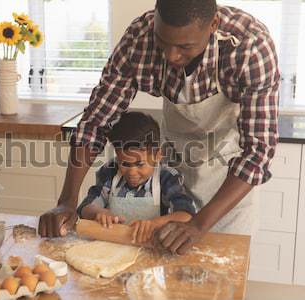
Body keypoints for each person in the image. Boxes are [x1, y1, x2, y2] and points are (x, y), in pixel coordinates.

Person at [39, 0, 279, 255]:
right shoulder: (138, 39)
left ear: (214, 25)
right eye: (162, 42)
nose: (171, 56)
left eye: (185, 47)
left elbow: (257, 152)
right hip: (172, 164)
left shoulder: (250, 48)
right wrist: (66, 201)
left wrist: (198, 224)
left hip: (227, 177)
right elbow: (96, 122)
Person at [77, 111, 196, 244]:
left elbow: (187, 215)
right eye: (125, 164)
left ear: (157, 155)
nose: (132, 172)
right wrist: (98, 212)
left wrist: (154, 223)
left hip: (151, 246)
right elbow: (84, 208)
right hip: (113, 245)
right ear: (117, 154)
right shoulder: (109, 172)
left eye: (140, 164)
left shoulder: (167, 178)